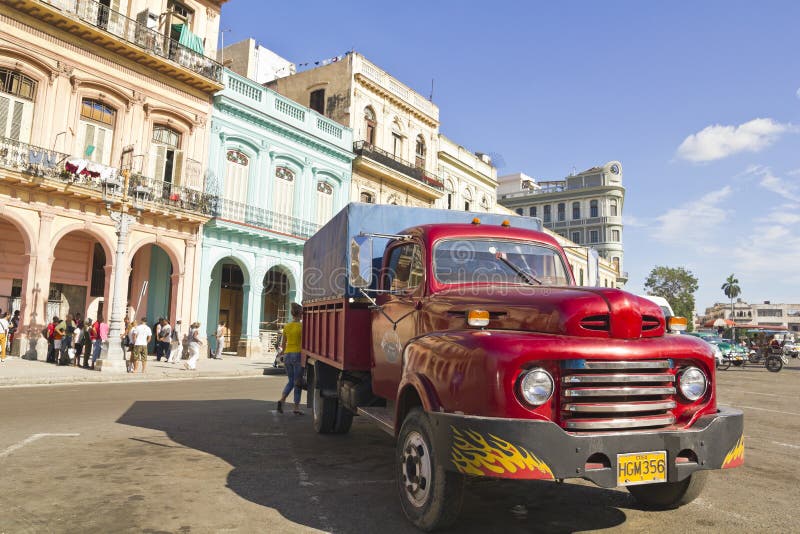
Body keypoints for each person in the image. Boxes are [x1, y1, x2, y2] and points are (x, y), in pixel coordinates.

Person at [277, 303, 304, 415]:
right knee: (297, 382)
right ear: (300, 314)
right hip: (297, 355)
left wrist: (282, 354)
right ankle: (296, 407)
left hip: (287, 355)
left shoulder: (287, 326)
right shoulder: (302, 327)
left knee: (291, 381)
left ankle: (282, 399)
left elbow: (283, 343)